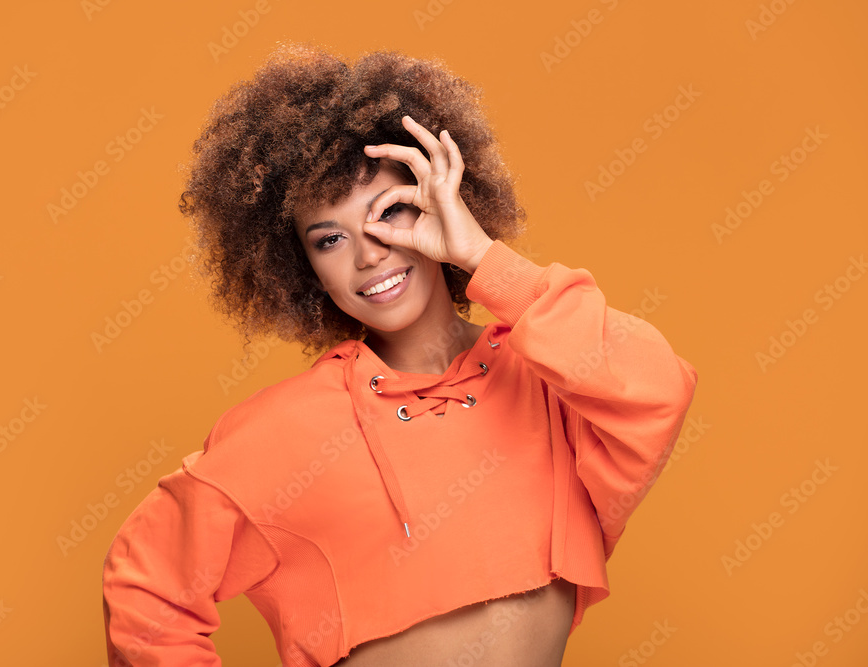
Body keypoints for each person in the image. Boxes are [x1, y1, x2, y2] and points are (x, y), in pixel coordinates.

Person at [101, 41, 698, 667]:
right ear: (301, 267)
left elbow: (657, 389)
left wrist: (483, 257)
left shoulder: (548, 381)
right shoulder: (290, 428)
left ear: (441, 203)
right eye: (330, 239)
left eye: (391, 212)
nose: (368, 254)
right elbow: (147, 591)